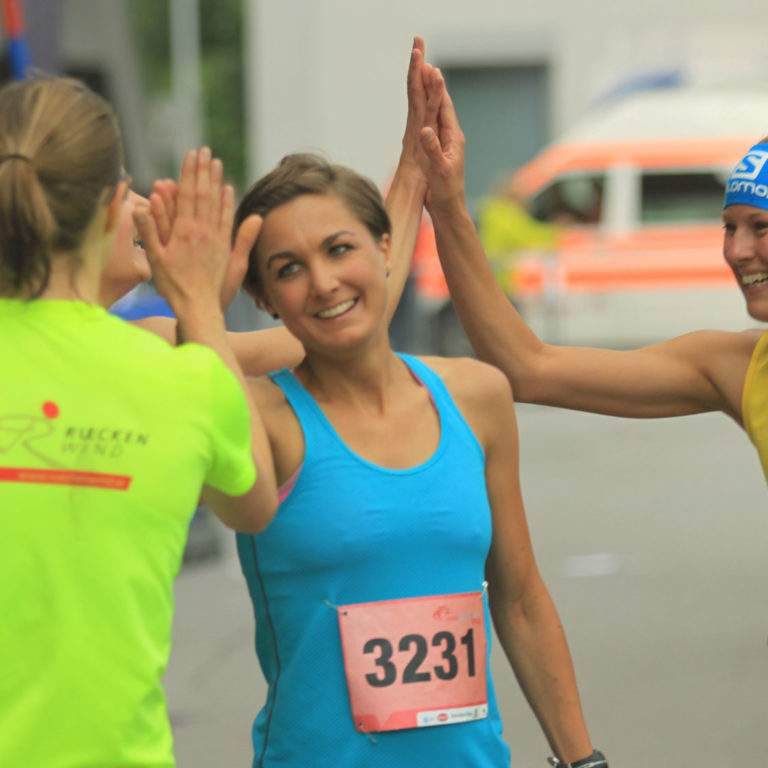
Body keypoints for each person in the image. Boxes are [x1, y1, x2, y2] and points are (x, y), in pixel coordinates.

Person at [223, 53, 607, 767]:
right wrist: (197, 297)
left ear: (387, 249)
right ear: (265, 300)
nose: (325, 281)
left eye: (341, 249)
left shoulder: (475, 396)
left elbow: (519, 600)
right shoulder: (261, 418)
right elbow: (179, 361)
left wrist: (583, 760)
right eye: (288, 269)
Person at [0, 76, 277, 767]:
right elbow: (254, 503)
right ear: (101, 215)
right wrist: (203, 308)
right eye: (123, 188)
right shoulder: (181, 380)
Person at [417, 79, 768, 485]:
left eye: (759, 226)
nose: (737, 251)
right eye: (728, 227)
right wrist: (447, 207)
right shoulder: (741, 367)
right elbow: (528, 369)